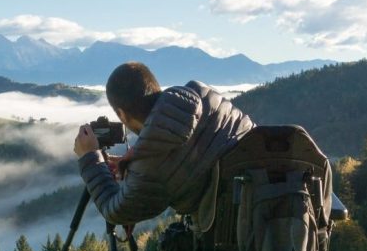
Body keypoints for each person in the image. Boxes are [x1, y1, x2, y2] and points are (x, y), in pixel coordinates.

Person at [73, 62, 254, 226]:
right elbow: (185, 141)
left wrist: (90, 159)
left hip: (230, 238)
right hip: (263, 193)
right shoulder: (203, 95)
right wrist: (136, 160)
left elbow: (115, 212)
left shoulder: (151, 170)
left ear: (121, 114)